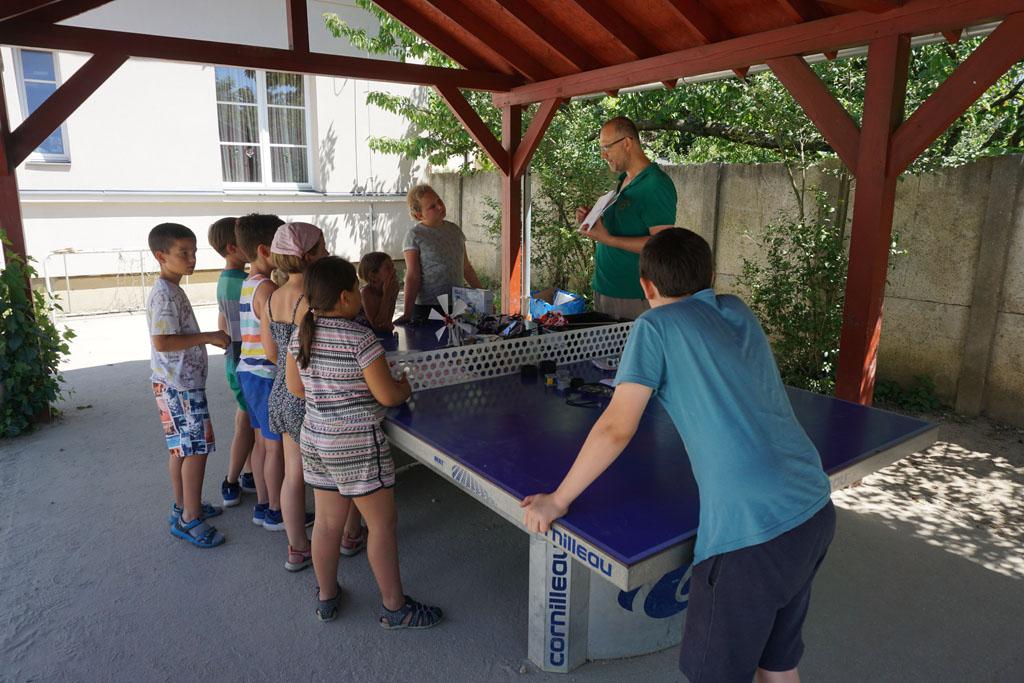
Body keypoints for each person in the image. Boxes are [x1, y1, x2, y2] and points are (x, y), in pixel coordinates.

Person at [521, 228, 835, 683]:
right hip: (812, 507)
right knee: (778, 664)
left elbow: (616, 427)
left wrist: (557, 500)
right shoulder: (737, 310)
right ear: (711, 275)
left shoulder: (654, 326)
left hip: (750, 532)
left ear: (646, 286)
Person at [285, 256, 443, 628]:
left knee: (327, 524)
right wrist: (404, 386)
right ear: (344, 297)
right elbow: (388, 395)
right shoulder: (360, 339)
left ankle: (326, 597)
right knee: (381, 524)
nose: (359, 294)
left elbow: (296, 388)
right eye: (355, 289)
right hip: (356, 444)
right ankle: (395, 607)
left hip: (316, 439)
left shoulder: (300, 334)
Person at [146, 222, 230, 548]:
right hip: (180, 386)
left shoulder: (170, 289)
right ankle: (190, 519)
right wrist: (208, 336)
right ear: (161, 256)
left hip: (173, 383)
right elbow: (163, 341)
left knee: (181, 448)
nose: (192, 259)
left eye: (194, 252)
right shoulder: (165, 295)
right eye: (184, 253)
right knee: (196, 449)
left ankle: (183, 506)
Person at [575, 116, 677, 320]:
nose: (603, 155)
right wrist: (593, 220)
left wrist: (608, 239)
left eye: (607, 147)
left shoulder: (655, 185)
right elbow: (622, 225)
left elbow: (662, 246)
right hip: (605, 289)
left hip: (633, 296)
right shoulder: (625, 180)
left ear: (627, 143)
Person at [234, 213, 286, 530]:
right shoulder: (267, 289)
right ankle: (277, 510)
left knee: (261, 442)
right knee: (275, 446)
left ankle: (263, 504)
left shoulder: (248, 284)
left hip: (247, 372)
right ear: (265, 250)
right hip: (266, 375)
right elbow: (272, 346)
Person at [208, 216, 257, 508]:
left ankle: (249, 473)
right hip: (244, 361)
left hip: (234, 359)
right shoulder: (244, 283)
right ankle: (231, 480)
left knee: (246, 422)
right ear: (231, 247)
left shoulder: (225, 279)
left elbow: (223, 322)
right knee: (246, 424)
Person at [395, 184, 481, 324]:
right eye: (432, 206)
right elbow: (413, 276)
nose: (440, 206)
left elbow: (466, 268)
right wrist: (407, 313)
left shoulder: (455, 230)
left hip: (458, 306)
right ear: (419, 215)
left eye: (439, 200)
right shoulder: (414, 236)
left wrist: (483, 297)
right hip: (428, 309)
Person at [357, 251, 399, 332]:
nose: (394, 270)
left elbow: (388, 321)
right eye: (388, 268)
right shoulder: (366, 292)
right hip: (362, 334)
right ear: (373, 276)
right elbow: (377, 325)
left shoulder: (393, 288)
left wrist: (390, 294)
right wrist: (387, 295)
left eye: (393, 267)